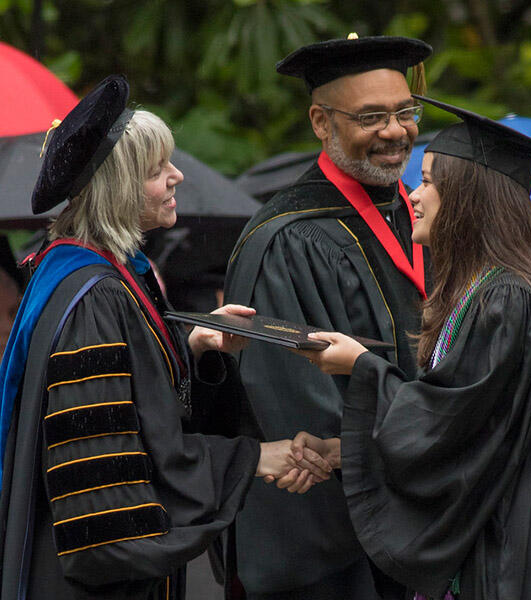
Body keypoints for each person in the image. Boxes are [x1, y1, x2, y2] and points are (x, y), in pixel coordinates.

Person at [0, 75, 331, 600]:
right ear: (119, 188)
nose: (177, 176)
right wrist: (251, 459)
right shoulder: (95, 295)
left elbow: (128, 398)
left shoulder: (85, 272)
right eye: (157, 171)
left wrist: (191, 350)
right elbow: (106, 481)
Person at [293, 97, 531, 599]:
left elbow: (447, 423)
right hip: (514, 533)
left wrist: (361, 366)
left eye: (431, 182)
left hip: (519, 551)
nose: (413, 195)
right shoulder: (489, 290)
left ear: (469, 198)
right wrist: (349, 452)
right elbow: (474, 428)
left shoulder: (506, 298)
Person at [225, 34, 432, 599]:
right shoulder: (289, 238)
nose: (395, 132)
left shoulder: (413, 215)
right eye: (371, 117)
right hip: (332, 536)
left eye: (405, 112)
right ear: (322, 121)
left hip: (416, 514)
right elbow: (296, 401)